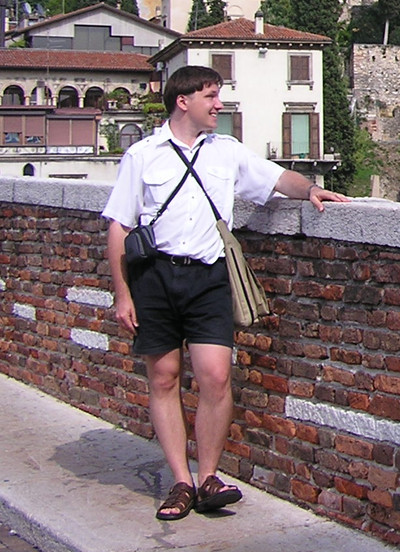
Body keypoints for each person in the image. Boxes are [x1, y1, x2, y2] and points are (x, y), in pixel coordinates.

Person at [104, 65, 348, 521]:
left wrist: (312, 189)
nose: (219, 104)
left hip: (209, 276)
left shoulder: (227, 151)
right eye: (211, 96)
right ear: (183, 101)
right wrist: (123, 295)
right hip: (154, 278)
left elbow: (277, 179)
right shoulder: (142, 155)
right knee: (164, 378)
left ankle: (208, 476)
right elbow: (119, 225)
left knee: (216, 377)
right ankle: (181, 481)